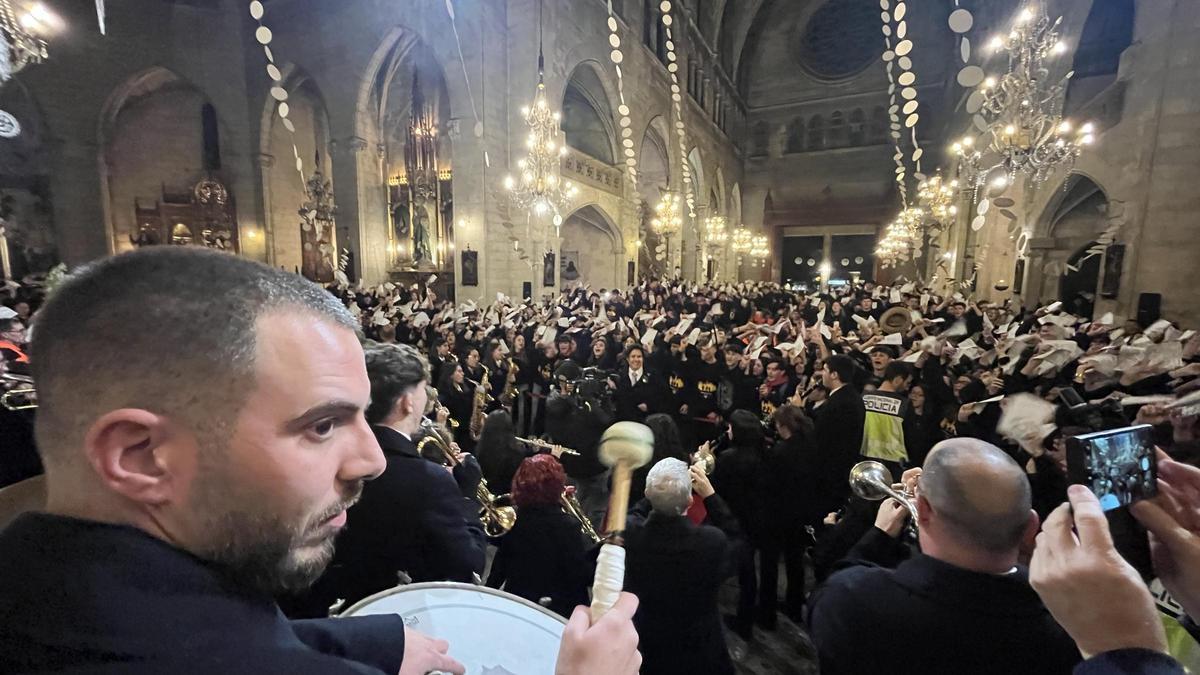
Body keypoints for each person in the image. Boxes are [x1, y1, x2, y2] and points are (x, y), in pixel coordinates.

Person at [0, 248, 641, 675]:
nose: (372, 459)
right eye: (322, 424)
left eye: (365, 415)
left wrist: (369, 640)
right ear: (140, 456)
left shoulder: (46, 583)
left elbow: (227, 630)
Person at [808, 438, 1081, 675]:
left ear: (923, 510)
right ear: (1032, 526)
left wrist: (880, 534)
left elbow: (830, 594)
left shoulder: (854, 600)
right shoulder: (1072, 629)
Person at [295, 342, 487, 614]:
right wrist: (466, 496)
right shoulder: (428, 480)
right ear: (407, 402)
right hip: (404, 613)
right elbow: (469, 564)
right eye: (423, 389)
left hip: (337, 604)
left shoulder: (328, 454)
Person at [624, 458, 736, 675]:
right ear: (690, 501)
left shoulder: (632, 534)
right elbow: (735, 536)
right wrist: (711, 497)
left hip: (647, 638)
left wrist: (658, 492)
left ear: (647, 493)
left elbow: (634, 513)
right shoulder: (710, 542)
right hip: (698, 641)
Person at [486, 454, 594, 618]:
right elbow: (582, 575)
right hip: (559, 610)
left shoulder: (512, 520)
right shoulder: (568, 525)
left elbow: (500, 567)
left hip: (519, 605)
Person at [812, 355, 866, 519]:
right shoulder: (847, 396)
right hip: (838, 467)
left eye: (825, 370)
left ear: (834, 374)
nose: (822, 374)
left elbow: (824, 435)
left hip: (833, 470)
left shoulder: (841, 402)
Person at [860, 360, 914, 473]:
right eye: (907, 383)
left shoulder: (864, 398)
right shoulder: (904, 404)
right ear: (898, 379)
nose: (907, 388)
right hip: (893, 464)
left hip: (864, 459)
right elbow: (910, 436)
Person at [474, 409, 532, 496]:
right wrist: (534, 451)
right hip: (512, 495)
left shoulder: (480, 449)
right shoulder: (517, 451)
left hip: (491, 494)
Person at [613, 344, 658, 422]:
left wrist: (650, 406)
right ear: (627, 359)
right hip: (624, 421)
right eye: (633, 356)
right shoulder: (619, 376)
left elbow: (661, 396)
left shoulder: (653, 375)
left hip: (646, 420)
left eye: (639, 356)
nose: (636, 359)